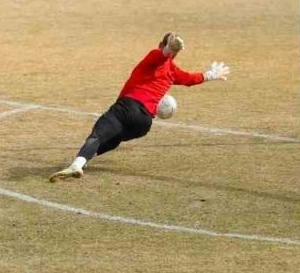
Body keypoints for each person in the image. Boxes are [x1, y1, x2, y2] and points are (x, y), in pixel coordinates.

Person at [49, 33, 229, 182]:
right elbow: (190, 79)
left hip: (128, 107)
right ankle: (85, 159)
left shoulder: (154, 56)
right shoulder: (172, 71)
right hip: (144, 124)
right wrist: (210, 75)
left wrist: (168, 48)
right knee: (113, 139)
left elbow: (160, 56)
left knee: (98, 134)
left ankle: (77, 164)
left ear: (161, 45)